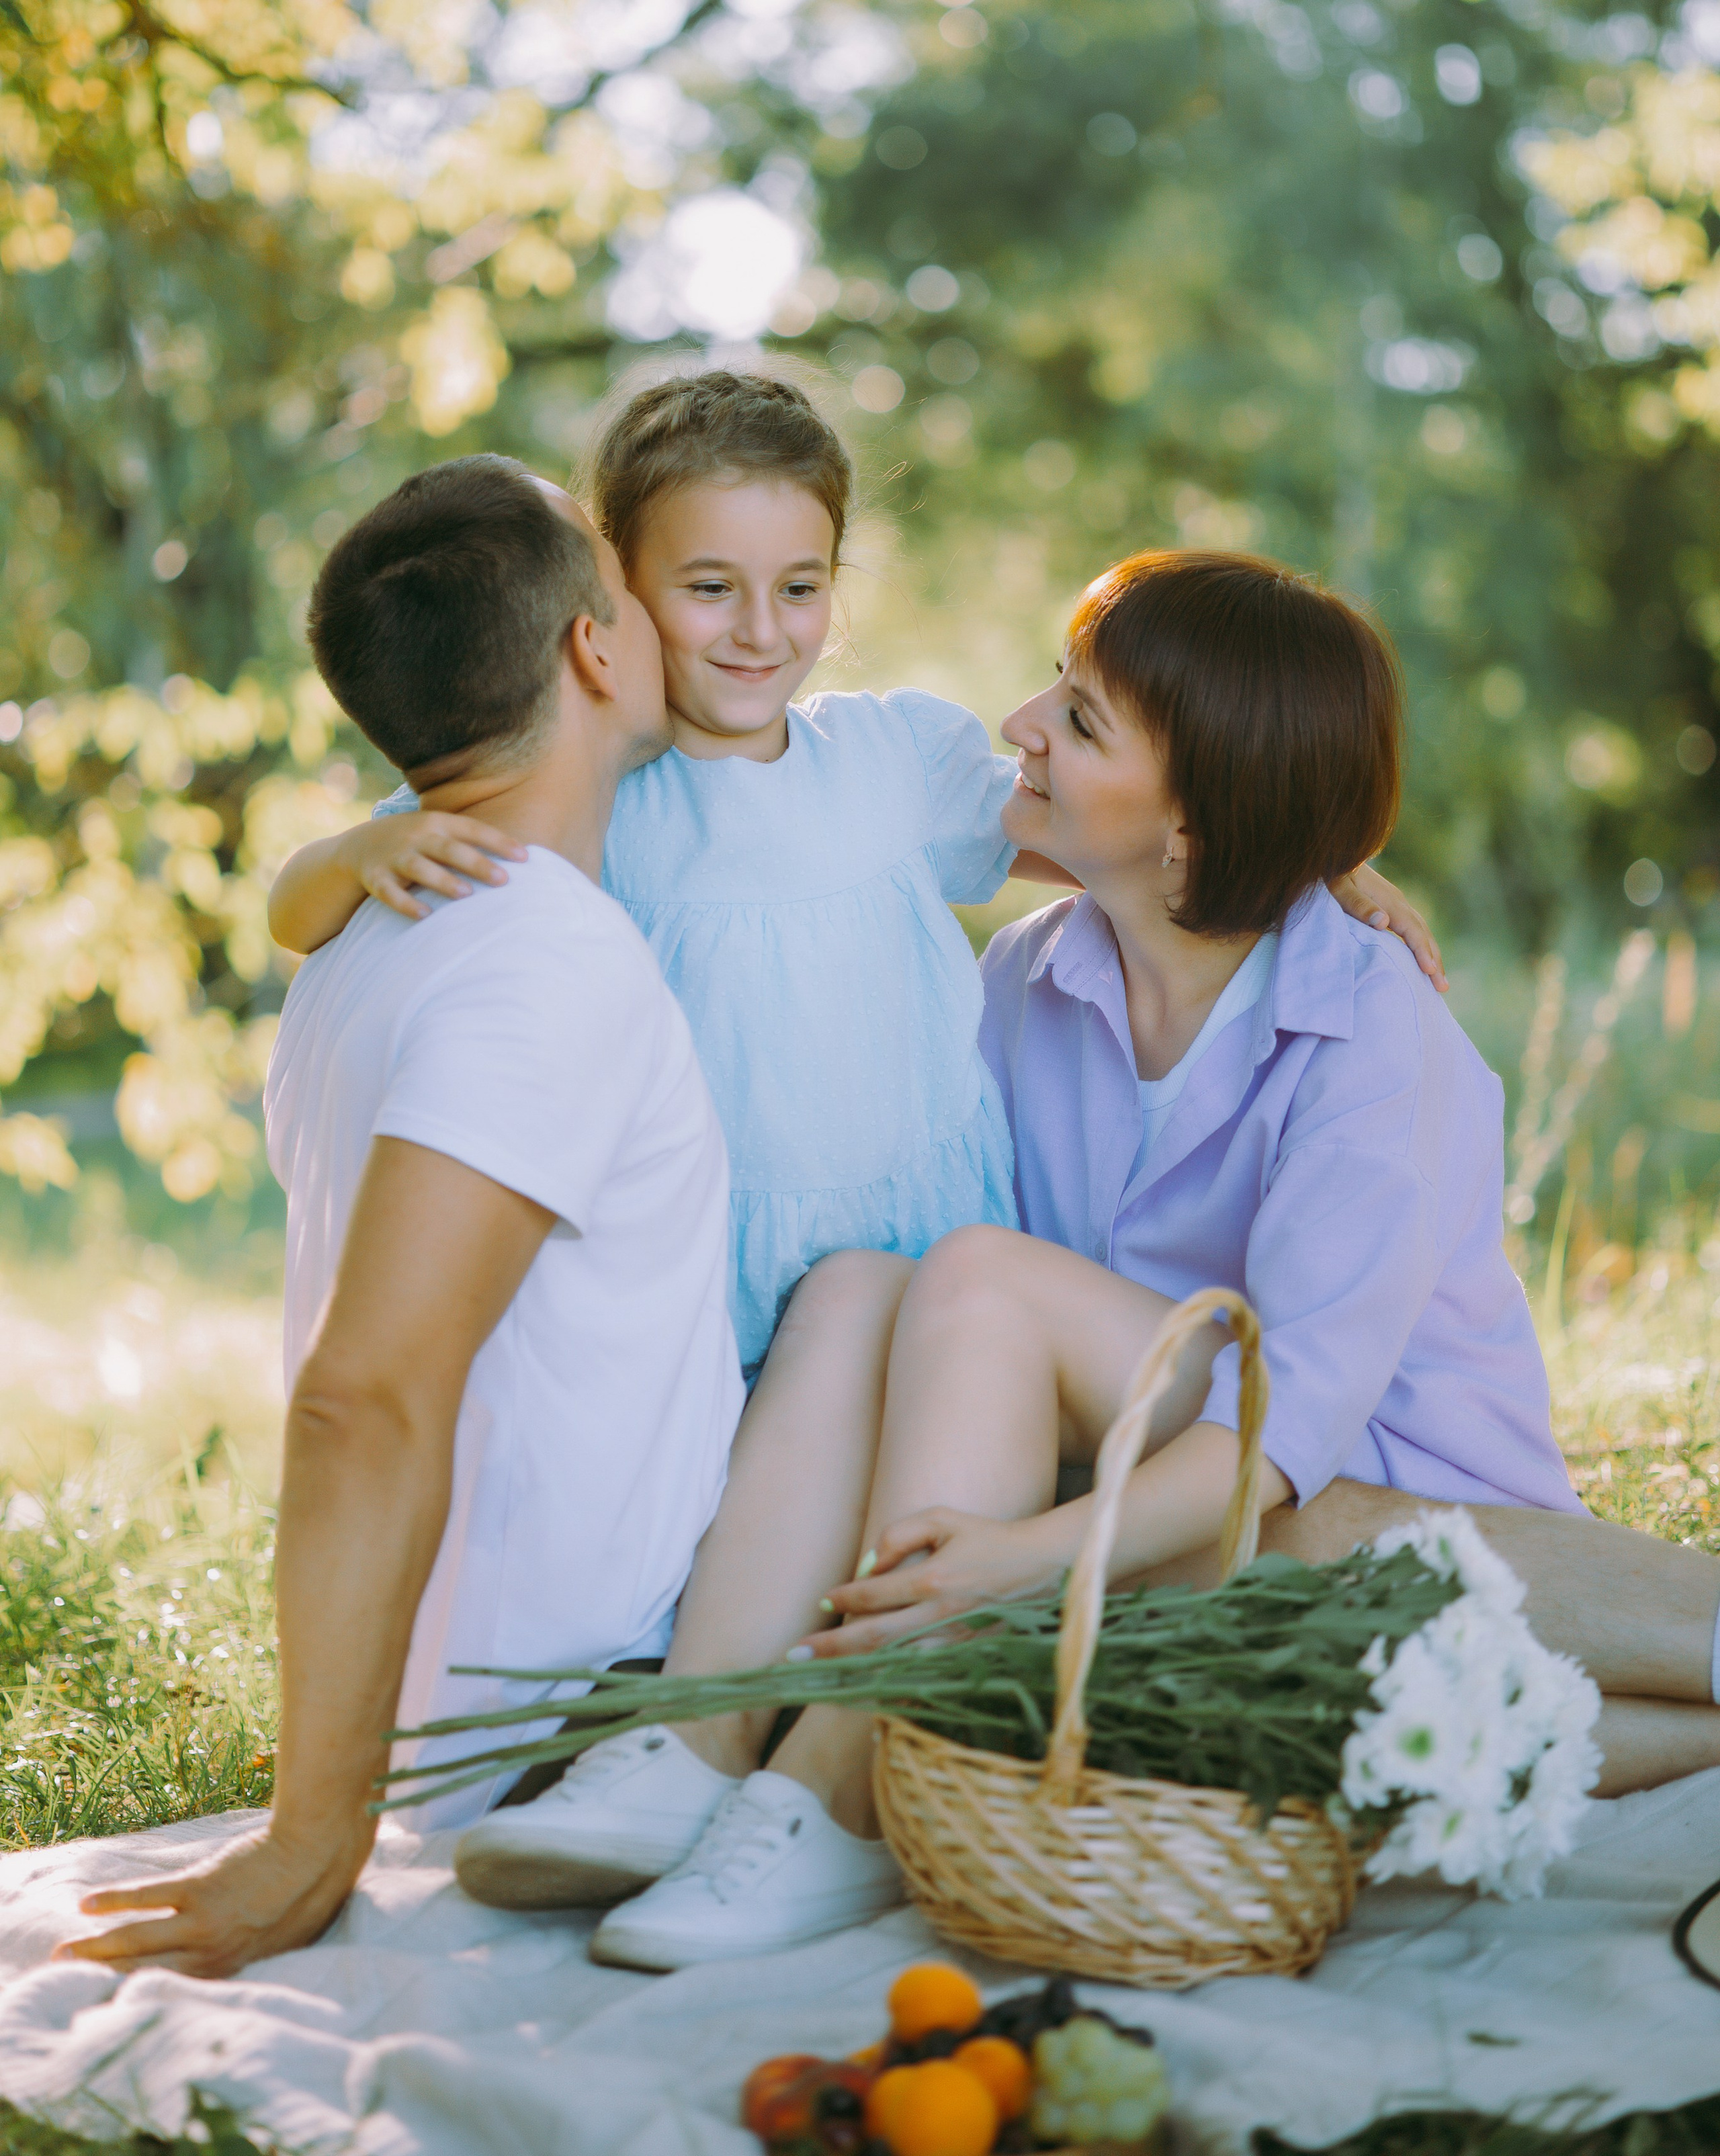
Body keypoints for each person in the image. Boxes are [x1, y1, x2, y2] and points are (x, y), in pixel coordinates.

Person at [499, 549, 1720, 1973]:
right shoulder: (1028, 984)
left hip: (1362, 1516)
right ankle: (692, 1744)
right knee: (855, 1284)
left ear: (1189, 833)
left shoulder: (1371, 1035)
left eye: (1078, 721)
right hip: (1138, 1538)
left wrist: (1011, 1562)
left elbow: (1279, 1445)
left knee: (979, 1272)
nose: (1016, 722)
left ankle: (831, 1794)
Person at [268, 373, 1439, 1391]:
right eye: (709, 587)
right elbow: (293, 915)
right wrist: (352, 855)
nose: (760, 632)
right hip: (703, 1274)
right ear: (617, 593)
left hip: (919, 1244)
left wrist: (1324, 865)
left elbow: (1115, 829)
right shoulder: (589, 792)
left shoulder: (892, 764)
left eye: (801, 585)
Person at [56, 457, 743, 1979]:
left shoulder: (374, 928)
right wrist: (314, 1834)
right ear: (593, 646)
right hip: (580, 1714)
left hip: (498, 1695)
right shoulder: (537, 963)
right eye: (633, 590)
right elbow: (364, 1397)